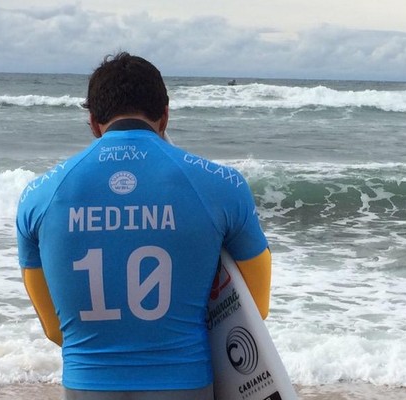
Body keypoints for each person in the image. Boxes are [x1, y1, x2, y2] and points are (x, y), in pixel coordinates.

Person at [16, 52, 271, 400]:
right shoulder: (223, 185)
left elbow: (53, 329)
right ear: (165, 116)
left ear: (93, 122)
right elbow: (256, 309)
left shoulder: (38, 195)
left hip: (87, 385)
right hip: (187, 383)